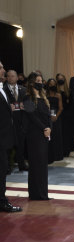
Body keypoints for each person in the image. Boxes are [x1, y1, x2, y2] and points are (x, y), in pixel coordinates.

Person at [23, 72, 51, 200]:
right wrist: (44, 128)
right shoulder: (27, 97)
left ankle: (43, 193)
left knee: (43, 164)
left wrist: (49, 128)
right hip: (34, 135)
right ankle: (36, 194)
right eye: (37, 81)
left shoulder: (44, 97)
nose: (40, 83)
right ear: (32, 82)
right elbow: (32, 116)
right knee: (36, 164)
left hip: (44, 134)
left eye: (41, 80)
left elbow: (48, 115)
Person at [0, 61, 22, 212]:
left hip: (5, 139)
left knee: (3, 170)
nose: (4, 70)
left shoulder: (2, 89)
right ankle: (2, 202)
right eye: (0, 67)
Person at [4, 69, 28, 171]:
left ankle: (21, 164)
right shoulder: (3, 90)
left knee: (21, 144)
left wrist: (25, 106)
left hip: (21, 121)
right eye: (8, 76)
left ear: (17, 78)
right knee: (9, 145)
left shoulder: (23, 89)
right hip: (9, 121)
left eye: (12, 76)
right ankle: (8, 166)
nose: (10, 78)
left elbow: (29, 104)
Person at [46, 78, 63, 163]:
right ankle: (50, 155)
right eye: (50, 84)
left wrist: (56, 116)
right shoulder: (45, 94)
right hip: (47, 117)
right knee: (50, 136)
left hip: (56, 117)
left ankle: (58, 155)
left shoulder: (58, 95)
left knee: (57, 135)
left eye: (53, 84)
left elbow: (61, 108)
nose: (52, 86)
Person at [56, 73, 71, 157]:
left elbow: (71, 105)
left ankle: (66, 151)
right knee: (59, 133)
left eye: (62, 78)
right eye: (59, 78)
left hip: (67, 116)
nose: (60, 80)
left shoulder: (68, 91)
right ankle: (60, 151)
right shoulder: (56, 91)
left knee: (66, 134)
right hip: (59, 115)